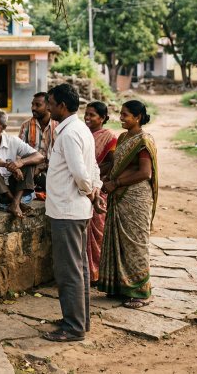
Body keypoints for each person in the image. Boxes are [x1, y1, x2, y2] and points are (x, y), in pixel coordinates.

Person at [41, 83, 102, 343]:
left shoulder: (69, 133)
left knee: (69, 271)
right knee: (78, 268)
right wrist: (94, 190)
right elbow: (93, 167)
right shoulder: (80, 130)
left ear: (62, 106)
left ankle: (74, 326)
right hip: (72, 209)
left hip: (68, 210)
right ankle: (79, 319)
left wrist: (90, 191)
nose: (48, 108)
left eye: (51, 104)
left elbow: (81, 172)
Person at [97, 100, 158, 309]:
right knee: (118, 240)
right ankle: (120, 287)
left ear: (138, 117)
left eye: (125, 115)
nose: (121, 118)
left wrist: (116, 183)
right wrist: (97, 175)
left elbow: (144, 172)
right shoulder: (123, 137)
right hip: (118, 196)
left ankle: (141, 292)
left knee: (135, 243)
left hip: (135, 197)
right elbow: (113, 164)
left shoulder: (143, 141)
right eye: (121, 114)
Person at [0, 108, 45, 219]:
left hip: (13, 187)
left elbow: (39, 157)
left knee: (29, 161)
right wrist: (8, 165)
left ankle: (15, 202)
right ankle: (16, 203)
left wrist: (20, 163)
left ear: (3, 127)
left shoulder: (12, 140)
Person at [84, 101, 117, 283]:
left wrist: (98, 179)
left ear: (103, 118)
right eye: (86, 114)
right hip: (85, 187)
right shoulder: (84, 134)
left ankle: (98, 273)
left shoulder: (109, 137)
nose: (87, 118)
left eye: (92, 115)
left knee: (98, 233)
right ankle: (89, 273)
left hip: (99, 188)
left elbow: (112, 163)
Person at [19, 92, 58, 191]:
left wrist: (44, 167)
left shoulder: (58, 126)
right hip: (31, 169)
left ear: (48, 106)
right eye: (32, 104)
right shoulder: (26, 125)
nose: (33, 108)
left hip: (52, 169)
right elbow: (19, 152)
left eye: (38, 105)